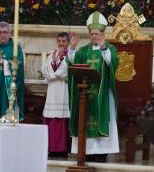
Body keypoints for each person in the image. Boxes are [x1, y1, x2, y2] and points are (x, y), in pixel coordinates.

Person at [68, 11, 120, 162]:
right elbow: (72, 62)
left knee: (101, 120)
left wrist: (104, 49)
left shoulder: (109, 48)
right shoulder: (83, 50)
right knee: (86, 120)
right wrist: (72, 48)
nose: (94, 36)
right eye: (92, 34)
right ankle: (88, 151)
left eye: (97, 34)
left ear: (103, 34)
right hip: (86, 94)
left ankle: (102, 153)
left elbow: (112, 63)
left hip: (102, 94)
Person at [41, 32, 71, 158]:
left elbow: (65, 72)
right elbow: (44, 70)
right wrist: (53, 62)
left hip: (64, 90)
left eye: (64, 41)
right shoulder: (51, 55)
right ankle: (50, 147)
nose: (61, 43)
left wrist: (56, 66)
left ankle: (62, 149)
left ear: (68, 42)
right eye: (59, 41)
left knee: (61, 119)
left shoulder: (71, 55)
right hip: (52, 91)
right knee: (51, 118)